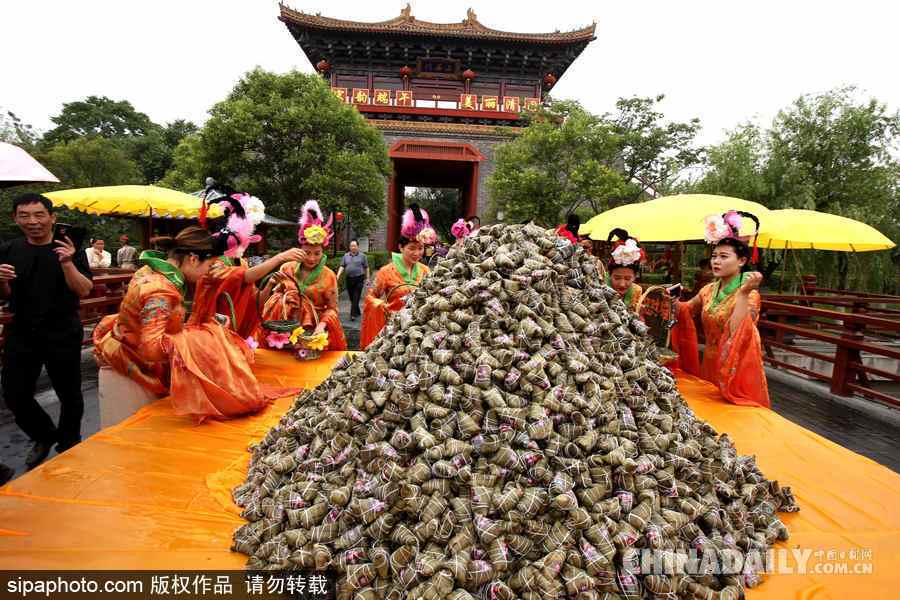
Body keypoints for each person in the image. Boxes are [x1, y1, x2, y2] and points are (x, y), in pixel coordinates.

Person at [93, 210, 299, 422]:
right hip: (131, 369)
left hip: (141, 364)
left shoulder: (154, 272)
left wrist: (208, 290)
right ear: (192, 258)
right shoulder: (158, 291)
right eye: (208, 266)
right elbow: (152, 348)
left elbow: (181, 321)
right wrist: (200, 341)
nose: (208, 273)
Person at [0, 193, 93, 469]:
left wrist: (67, 262)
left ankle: (69, 445)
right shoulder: (8, 249)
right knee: (14, 393)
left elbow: (84, 289)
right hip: (22, 329)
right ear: (15, 219)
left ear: (52, 217)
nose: (33, 222)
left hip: (62, 329)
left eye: (39, 215)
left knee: (69, 393)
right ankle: (43, 434)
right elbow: (4, 295)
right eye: (25, 216)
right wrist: (1, 282)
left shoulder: (69, 246)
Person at [670, 209, 769, 408]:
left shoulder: (750, 295)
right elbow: (686, 311)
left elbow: (737, 334)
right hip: (709, 363)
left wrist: (742, 294)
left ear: (742, 261)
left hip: (734, 369)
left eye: (724, 256)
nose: (716, 261)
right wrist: (669, 300)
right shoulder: (708, 290)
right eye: (714, 256)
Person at [258, 200, 347, 351]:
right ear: (300, 249)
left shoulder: (328, 275)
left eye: (317, 253)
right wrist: (271, 283)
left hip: (312, 331)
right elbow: (268, 301)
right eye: (307, 253)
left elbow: (332, 309)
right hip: (283, 328)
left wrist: (321, 326)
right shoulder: (287, 268)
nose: (312, 258)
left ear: (322, 252)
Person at [360, 205, 434, 349]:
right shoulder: (386, 272)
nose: (417, 253)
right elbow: (371, 297)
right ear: (400, 247)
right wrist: (382, 307)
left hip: (418, 332)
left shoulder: (426, 271)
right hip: (393, 332)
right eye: (411, 248)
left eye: (420, 248)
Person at [605, 229, 644, 313]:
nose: (622, 284)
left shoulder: (636, 291)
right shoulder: (599, 290)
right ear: (609, 275)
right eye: (617, 278)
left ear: (634, 277)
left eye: (627, 278)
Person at [336, 239, 370, 321]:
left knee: (356, 296)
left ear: (358, 246)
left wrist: (368, 278)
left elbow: (366, 267)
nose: (353, 247)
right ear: (349, 247)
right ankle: (357, 311)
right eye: (351, 246)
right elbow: (342, 266)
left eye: (354, 246)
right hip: (349, 279)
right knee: (351, 297)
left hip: (359, 278)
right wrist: (338, 275)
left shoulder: (362, 256)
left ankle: (353, 315)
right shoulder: (346, 256)